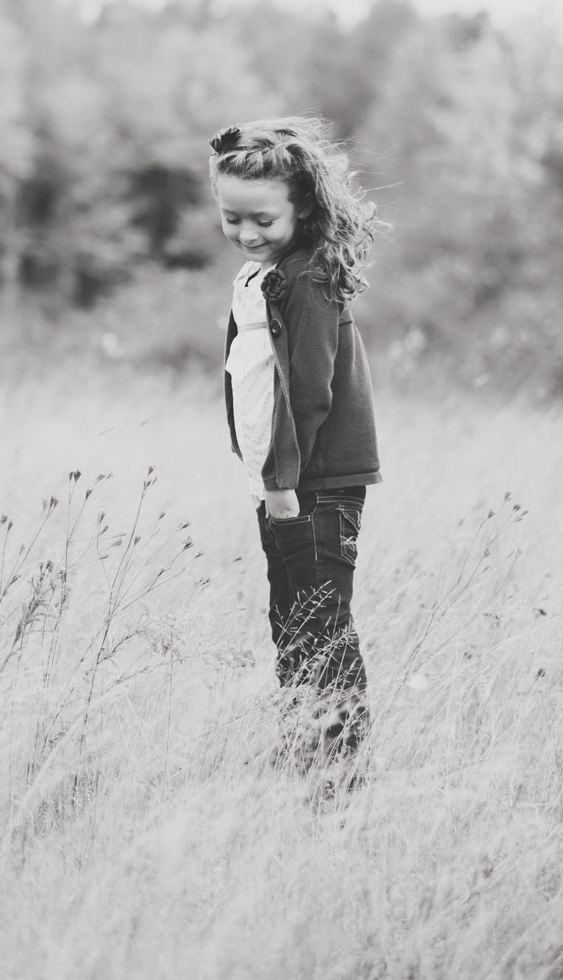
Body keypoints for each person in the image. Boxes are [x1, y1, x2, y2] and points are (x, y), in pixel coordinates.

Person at [210, 116, 382, 777]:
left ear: (303, 205)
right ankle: (306, 749)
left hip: (309, 484)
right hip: (278, 481)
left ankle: (338, 770)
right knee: (291, 624)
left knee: (319, 623)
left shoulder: (306, 276)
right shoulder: (267, 272)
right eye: (233, 218)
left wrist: (281, 480)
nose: (246, 233)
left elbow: (306, 390)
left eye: (262, 219)